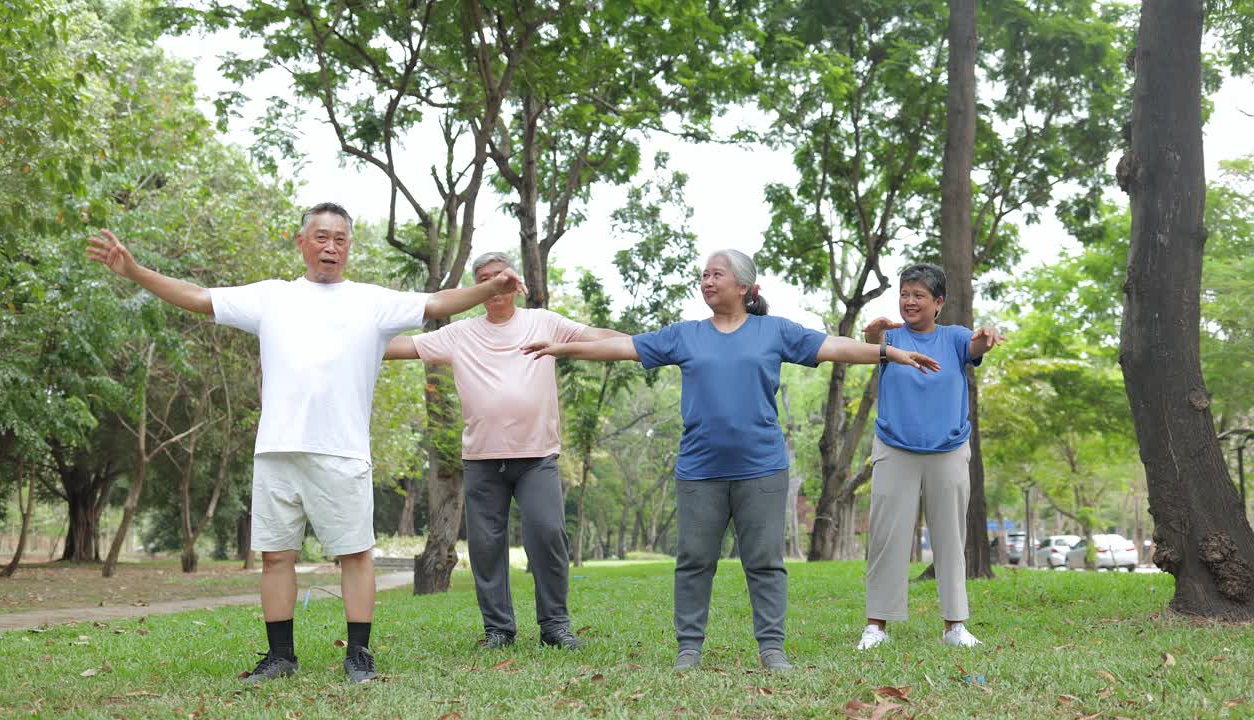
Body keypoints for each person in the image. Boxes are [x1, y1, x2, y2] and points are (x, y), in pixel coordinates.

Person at [85, 203, 525, 684]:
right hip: (276, 450)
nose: (330, 247)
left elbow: (437, 303)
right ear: (301, 243)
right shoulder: (271, 298)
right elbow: (196, 296)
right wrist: (133, 270)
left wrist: (490, 287)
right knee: (275, 556)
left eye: (340, 239)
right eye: (320, 237)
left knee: (354, 554)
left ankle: (358, 655)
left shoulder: (372, 302)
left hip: (342, 450)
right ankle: (280, 657)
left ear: (349, 247)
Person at [523, 249, 938, 672]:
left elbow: (835, 347)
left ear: (743, 286)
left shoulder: (774, 331)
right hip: (699, 471)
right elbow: (623, 347)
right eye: (704, 274)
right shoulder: (686, 335)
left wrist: (891, 353)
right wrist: (561, 347)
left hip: (762, 468)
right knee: (693, 563)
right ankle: (689, 649)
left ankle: (772, 649)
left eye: (716, 274)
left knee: (765, 564)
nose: (707, 281)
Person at [382, 251, 625, 651]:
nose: (494, 285)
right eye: (484, 279)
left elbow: (594, 336)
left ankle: (555, 627)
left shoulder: (542, 321)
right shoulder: (460, 333)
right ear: (476, 288)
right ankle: (498, 630)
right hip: (482, 460)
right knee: (486, 546)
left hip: (537, 457)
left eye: (500, 276)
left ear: (514, 283)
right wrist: (348, 336)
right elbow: (402, 347)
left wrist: (647, 344)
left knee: (547, 533)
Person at [854, 263, 1004, 651]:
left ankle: (955, 626)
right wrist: (875, 332)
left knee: (950, 538)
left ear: (938, 302)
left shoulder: (954, 338)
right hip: (894, 447)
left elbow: (976, 347)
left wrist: (986, 339)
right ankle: (877, 627)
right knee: (887, 537)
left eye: (919, 295)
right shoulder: (891, 338)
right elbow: (871, 342)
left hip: (948, 450)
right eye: (905, 293)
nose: (909, 301)